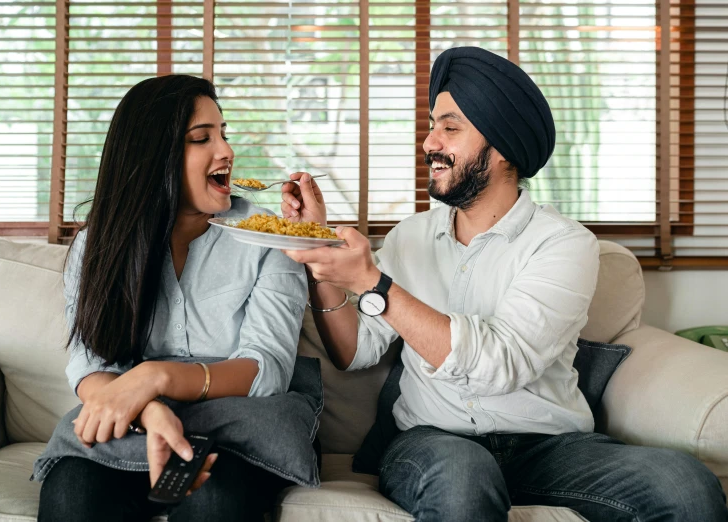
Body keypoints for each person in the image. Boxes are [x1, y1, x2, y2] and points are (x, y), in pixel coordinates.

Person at [281, 47, 728, 521]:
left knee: (685, 485)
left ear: (503, 148)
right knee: (464, 480)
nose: (429, 142)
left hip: (549, 449)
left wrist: (375, 283)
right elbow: (355, 352)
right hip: (433, 442)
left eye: (450, 128)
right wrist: (322, 254)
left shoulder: (564, 245)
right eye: (433, 124)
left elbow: (503, 362)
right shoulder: (409, 238)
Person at [37, 75, 308, 521]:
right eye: (202, 138)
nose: (226, 151)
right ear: (152, 157)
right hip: (133, 425)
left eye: (224, 134)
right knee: (71, 494)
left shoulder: (266, 236)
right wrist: (150, 408)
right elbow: (89, 367)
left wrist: (157, 377)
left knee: (215, 498)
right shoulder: (98, 244)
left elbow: (267, 370)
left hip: (241, 426)